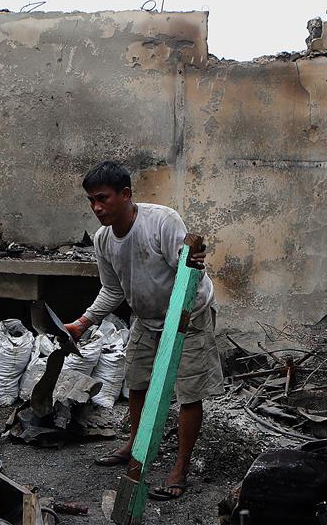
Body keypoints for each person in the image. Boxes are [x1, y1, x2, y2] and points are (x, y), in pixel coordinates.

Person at [64, 160, 224, 501]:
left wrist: (178, 321)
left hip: (187, 316)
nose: (96, 207)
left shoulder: (161, 222)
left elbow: (187, 272)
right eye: (91, 200)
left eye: (103, 198)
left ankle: (180, 466)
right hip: (146, 319)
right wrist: (82, 323)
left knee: (187, 392)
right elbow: (112, 290)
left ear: (125, 195)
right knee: (136, 384)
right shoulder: (103, 239)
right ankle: (135, 447)